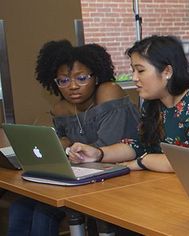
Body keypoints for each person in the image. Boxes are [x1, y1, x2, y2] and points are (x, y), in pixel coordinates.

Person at [8, 40, 140, 236]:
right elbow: (58, 146)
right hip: (81, 177)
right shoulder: (60, 108)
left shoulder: (108, 91)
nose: (72, 86)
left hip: (121, 176)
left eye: (82, 78)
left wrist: (67, 147)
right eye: (63, 80)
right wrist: (62, 145)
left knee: (44, 211)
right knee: (21, 207)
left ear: (96, 77)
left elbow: (106, 147)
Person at [67, 35, 189, 172]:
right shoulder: (153, 103)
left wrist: (144, 161)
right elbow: (139, 145)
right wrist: (98, 154)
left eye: (140, 70)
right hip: (169, 185)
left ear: (167, 71)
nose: (134, 78)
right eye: (133, 70)